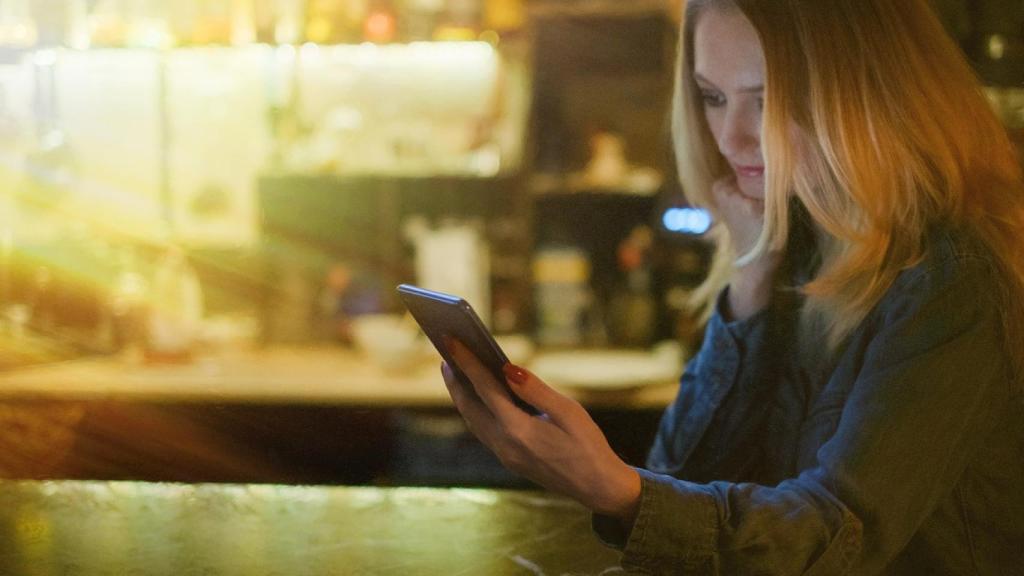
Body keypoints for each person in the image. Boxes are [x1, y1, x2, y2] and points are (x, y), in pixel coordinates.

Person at [440, 0, 1024, 573]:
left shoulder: (956, 274)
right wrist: (751, 272)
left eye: (767, 100)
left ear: (869, 91)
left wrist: (618, 492)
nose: (731, 137)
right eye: (713, 97)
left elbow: (839, 534)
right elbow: (686, 476)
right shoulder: (804, 238)